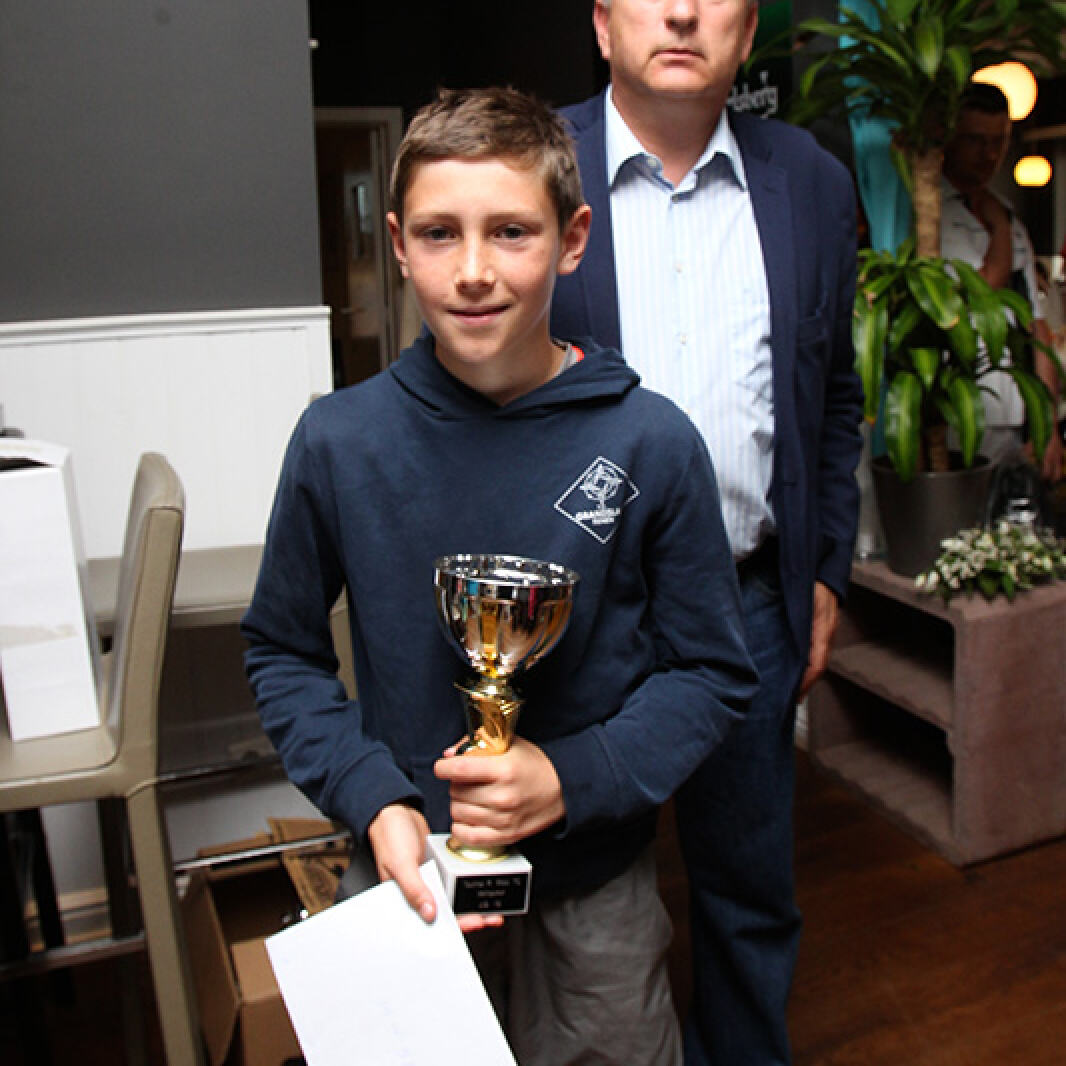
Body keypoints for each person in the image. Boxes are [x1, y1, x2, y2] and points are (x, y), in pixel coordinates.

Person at [241, 86, 758, 1066]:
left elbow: (711, 672)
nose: (473, 270)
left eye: (511, 231)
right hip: (406, 871)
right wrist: (373, 797)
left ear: (572, 239)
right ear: (399, 243)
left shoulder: (651, 441)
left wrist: (570, 776)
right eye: (440, 233)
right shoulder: (338, 442)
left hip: (594, 886)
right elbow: (281, 648)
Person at [550, 2, 864, 1063]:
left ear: (749, 26)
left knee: (747, 888)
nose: (682, 10)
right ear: (603, 25)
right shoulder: (531, 165)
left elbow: (834, 395)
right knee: (581, 900)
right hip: (576, 616)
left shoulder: (811, 181)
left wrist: (825, 569)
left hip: (748, 606)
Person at [941, 81, 1062, 480]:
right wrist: (999, 228)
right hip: (957, 414)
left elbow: (1036, 327)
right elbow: (983, 290)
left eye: (999, 141)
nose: (989, 155)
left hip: (1014, 413)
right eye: (976, 141)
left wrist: (1047, 426)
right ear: (951, 136)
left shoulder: (1007, 215)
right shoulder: (930, 214)